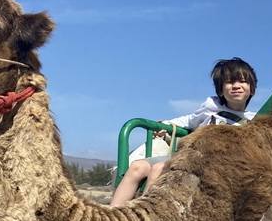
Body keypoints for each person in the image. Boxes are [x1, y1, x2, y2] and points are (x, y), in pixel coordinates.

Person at [110, 58, 257, 206]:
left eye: (242, 81)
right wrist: (167, 124)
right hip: (186, 156)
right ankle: (112, 216)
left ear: (252, 88)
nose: (236, 86)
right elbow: (188, 121)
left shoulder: (252, 123)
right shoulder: (210, 109)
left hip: (208, 167)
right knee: (137, 166)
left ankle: (144, 219)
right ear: (220, 90)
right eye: (230, 82)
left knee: (158, 169)